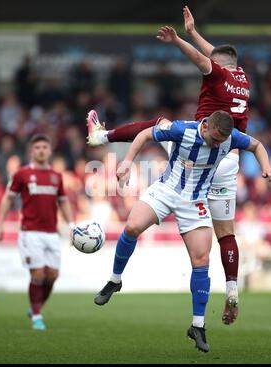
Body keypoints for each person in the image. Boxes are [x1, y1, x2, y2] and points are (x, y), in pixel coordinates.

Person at [86, 5, 250, 325]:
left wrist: (178, 40)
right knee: (225, 232)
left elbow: (204, 60)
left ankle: (101, 137)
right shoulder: (241, 77)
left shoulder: (216, 71)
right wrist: (193, 32)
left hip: (205, 148)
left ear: (219, 64)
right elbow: (216, 55)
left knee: (158, 126)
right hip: (230, 158)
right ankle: (231, 289)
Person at [93, 111, 271, 353]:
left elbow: (257, 145)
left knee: (201, 260)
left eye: (222, 140)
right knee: (132, 226)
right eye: (215, 139)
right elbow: (145, 134)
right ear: (205, 127)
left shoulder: (230, 137)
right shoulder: (182, 130)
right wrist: (127, 162)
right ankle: (114, 281)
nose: (218, 144)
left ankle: (198, 326)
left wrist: (267, 167)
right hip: (166, 189)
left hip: (195, 201)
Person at [0, 134, 75, 331]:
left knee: (52, 275)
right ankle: (37, 316)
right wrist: (0, 223)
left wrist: (72, 226)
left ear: (49, 151)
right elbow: (7, 198)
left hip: (51, 232)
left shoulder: (56, 177)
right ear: (31, 151)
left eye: (44, 147)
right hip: (30, 232)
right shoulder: (22, 174)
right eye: (37, 147)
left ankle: (36, 307)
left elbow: (63, 202)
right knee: (38, 274)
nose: (41, 150)